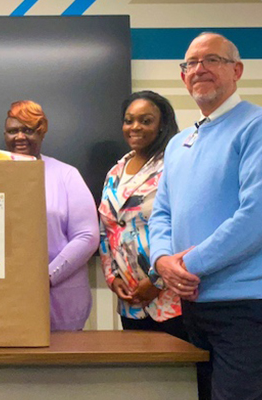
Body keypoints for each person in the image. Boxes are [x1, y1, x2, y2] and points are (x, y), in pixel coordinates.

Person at [149, 32, 262, 400]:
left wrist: (187, 265)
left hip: (249, 311)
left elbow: (260, 216)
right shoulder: (178, 144)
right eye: (190, 63)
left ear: (236, 70)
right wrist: (162, 261)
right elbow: (161, 213)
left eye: (212, 60)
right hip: (191, 308)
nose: (199, 69)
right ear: (183, 77)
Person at [3, 100, 98, 331]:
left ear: (41, 132)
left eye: (28, 130)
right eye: (13, 130)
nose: (20, 137)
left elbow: (87, 236)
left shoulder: (66, 175)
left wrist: (46, 277)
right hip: (5, 298)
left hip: (60, 298)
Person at [98, 91, 186, 340]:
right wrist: (112, 278)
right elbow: (107, 230)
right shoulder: (115, 172)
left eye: (146, 121)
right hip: (130, 300)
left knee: (180, 377)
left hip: (172, 300)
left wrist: (158, 282)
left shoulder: (174, 166)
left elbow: (185, 228)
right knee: (141, 377)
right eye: (129, 120)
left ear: (161, 126)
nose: (135, 127)